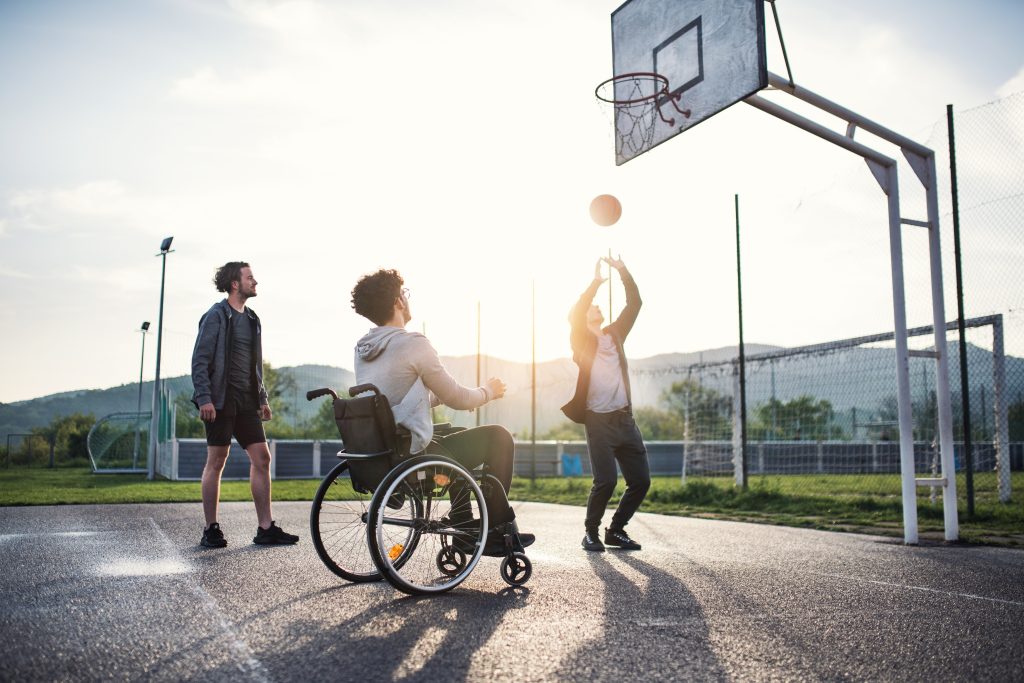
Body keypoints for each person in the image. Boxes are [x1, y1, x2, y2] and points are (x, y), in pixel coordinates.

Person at [350, 268, 534, 553]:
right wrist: (487, 393)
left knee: (457, 435)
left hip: (387, 451)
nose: (407, 299)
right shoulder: (413, 344)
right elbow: (458, 397)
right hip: (413, 453)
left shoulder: (363, 349)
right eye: (405, 293)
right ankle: (495, 526)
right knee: (499, 438)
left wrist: (447, 399)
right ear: (398, 302)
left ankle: (462, 520)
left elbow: (397, 403)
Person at [191, 261, 299, 548]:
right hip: (220, 400)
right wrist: (204, 398)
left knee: (262, 458)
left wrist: (262, 398)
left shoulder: (252, 319)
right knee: (217, 461)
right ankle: (210, 529)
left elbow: (256, 364)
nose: (256, 282)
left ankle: (266, 528)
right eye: (250, 277)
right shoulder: (216, 315)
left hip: (247, 400)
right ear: (235, 283)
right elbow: (200, 360)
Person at [562, 256, 650, 552]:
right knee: (606, 481)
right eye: (591, 307)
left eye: (597, 305)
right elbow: (576, 314)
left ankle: (616, 530)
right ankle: (591, 532)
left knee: (641, 481)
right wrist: (595, 283)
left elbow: (635, 303)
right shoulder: (581, 340)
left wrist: (622, 270)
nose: (596, 307)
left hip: (625, 420)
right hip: (598, 420)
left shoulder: (615, 333)